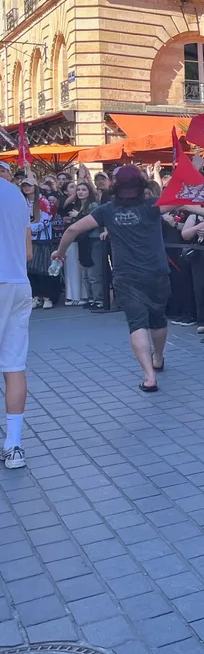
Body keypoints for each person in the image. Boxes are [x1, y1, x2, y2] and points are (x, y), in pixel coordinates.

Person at [53, 166, 175, 392]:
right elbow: (180, 198)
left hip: (126, 274)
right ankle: (158, 357)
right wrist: (193, 172)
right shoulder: (153, 205)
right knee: (158, 318)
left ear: (114, 185)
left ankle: (149, 377)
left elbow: (72, 230)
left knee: (136, 323)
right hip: (157, 271)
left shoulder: (106, 210)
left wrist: (60, 252)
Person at [0, 175, 32, 468]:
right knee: (13, 365)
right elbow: (28, 251)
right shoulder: (16, 195)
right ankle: (14, 445)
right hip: (17, 283)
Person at [23, 177, 56, 309]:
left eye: (29, 186)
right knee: (31, 270)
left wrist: (30, 229)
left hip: (42, 241)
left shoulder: (43, 202)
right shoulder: (22, 202)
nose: (27, 188)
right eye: (24, 186)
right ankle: (36, 296)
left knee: (43, 270)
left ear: (35, 187)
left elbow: (46, 220)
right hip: (27, 240)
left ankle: (48, 297)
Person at [60, 182, 93, 306]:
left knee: (85, 270)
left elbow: (92, 219)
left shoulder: (92, 205)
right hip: (73, 240)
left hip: (86, 240)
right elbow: (62, 207)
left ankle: (87, 296)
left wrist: (78, 216)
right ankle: (73, 296)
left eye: (83, 189)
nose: (79, 192)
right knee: (74, 268)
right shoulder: (72, 205)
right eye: (77, 189)